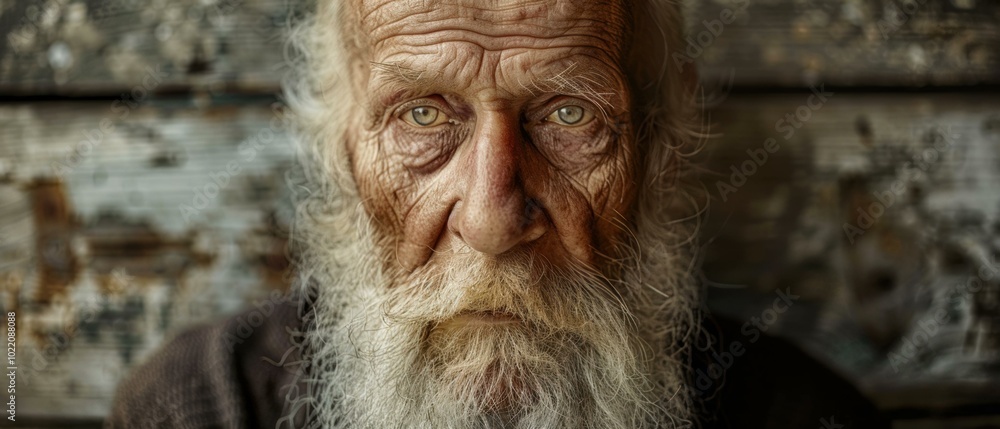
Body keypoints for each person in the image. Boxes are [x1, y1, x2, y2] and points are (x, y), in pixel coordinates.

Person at [107, 1, 889, 427]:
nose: (491, 217)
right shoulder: (200, 407)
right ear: (340, 148)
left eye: (569, 116)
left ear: (662, 148)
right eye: (419, 116)